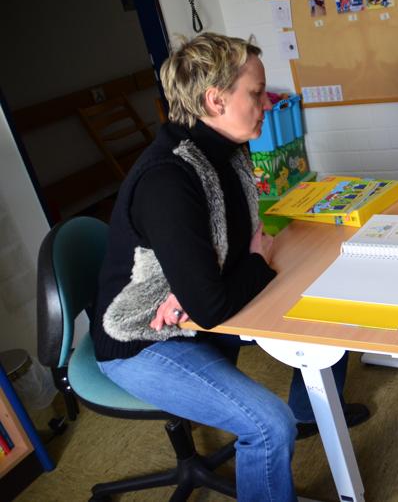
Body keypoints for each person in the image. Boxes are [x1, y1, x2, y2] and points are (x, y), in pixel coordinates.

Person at [90, 33, 366, 502]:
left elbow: (233, 247)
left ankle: (308, 414)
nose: (267, 103)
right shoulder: (168, 180)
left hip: (189, 311)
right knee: (267, 427)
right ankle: (289, 425)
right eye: (256, 94)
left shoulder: (225, 149)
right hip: (140, 341)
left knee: (327, 311)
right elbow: (217, 300)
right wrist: (245, 267)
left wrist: (198, 283)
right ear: (215, 101)